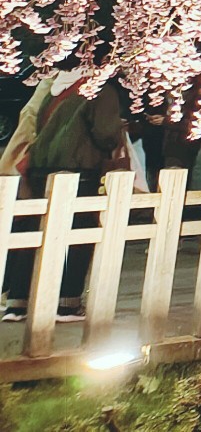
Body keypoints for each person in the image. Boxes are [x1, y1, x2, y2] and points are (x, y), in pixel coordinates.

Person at [5, 68, 134, 319]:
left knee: (34, 232)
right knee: (80, 233)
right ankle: (68, 302)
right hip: (79, 168)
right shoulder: (99, 89)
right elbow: (105, 133)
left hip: (41, 168)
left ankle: (18, 301)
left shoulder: (52, 89)